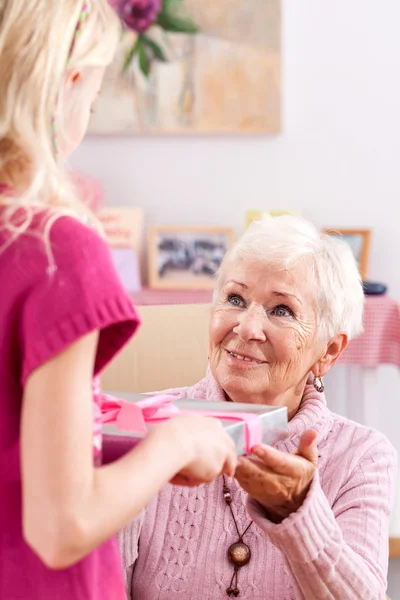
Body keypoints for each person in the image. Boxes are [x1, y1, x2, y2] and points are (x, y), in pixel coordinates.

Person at [0, 2, 237, 599]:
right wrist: (175, 443)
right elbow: (62, 526)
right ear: (67, 85)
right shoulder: (58, 250)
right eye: (95, 99)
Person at [120, 215, 397, 600]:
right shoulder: (146, 426)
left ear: (329, 351)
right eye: (235, 299)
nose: (247, 327)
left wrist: (299, 513)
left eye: (281, 310)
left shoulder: (362, 457)